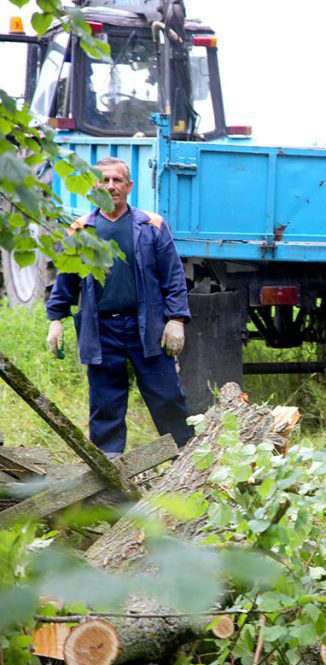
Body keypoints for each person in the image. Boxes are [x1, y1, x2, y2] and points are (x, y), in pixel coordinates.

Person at [45, 157, 194, 454]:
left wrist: (176, 320)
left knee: (168, 398)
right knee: (105, 405)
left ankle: (188, 460)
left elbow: (173, 276)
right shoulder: (81, 230)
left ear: (129, 186)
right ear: (95, 185)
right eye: (104, 180)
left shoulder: (151, 225)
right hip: (102, 330)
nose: (110, 186)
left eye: (117, 180)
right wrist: (56, 319)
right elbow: (66, 279)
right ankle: (109, 475)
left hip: (147, 327)